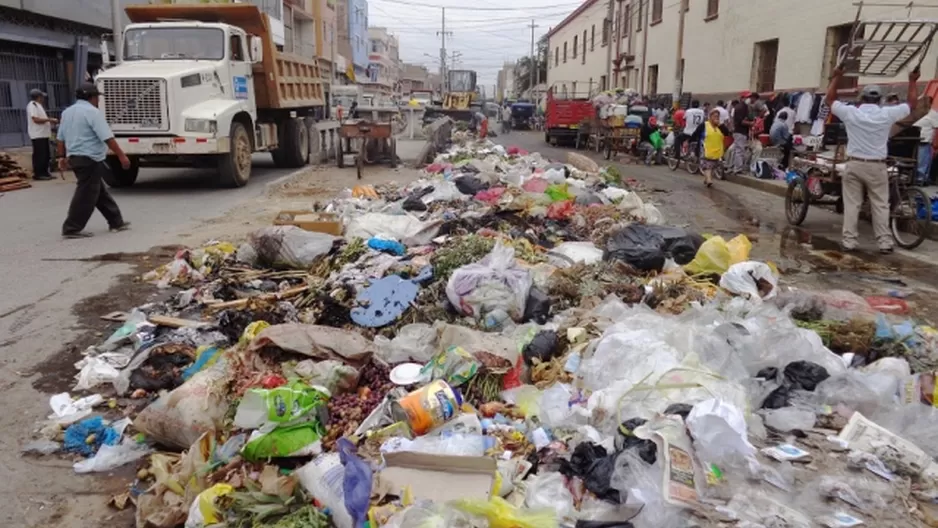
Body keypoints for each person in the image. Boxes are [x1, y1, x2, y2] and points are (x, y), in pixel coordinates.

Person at [825, 66, 919, 253]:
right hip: (877, 166)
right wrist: (912, 81)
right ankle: (884, 243)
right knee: (880, 204)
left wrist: (837, 76)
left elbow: (829, 100)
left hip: (854, 164)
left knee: (852, 204)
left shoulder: (852, 113)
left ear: (862, 99)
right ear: (880, 100)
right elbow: (912, 104)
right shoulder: (887, 114)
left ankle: (849, 242)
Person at [56, 83, 131, 239]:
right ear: (92, 97)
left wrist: (61, 157)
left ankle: (116, 221)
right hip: (89, 158)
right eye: (97, 97)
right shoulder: (92, 112)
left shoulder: (67, 113)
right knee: (86, 194)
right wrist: (122, 156)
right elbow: (107, 137)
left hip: (75, 158)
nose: (98, 100)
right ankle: (72, 227)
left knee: (98, 191)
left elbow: (60, 138)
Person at [691, 108, 732, 187]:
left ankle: (707, 178)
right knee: (707, 165)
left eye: (718, 117)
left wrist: (720, 125)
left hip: (717, 150)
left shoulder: (720, 126)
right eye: (714, 116)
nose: (716, 118)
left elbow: (727, 133)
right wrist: (690, 141)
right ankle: (709, 180)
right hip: (705, 149)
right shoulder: (704, 125)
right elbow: (696, 133)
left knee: (713, 165)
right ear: (710, 117)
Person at [27, 88, 57, 181]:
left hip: (43, 134)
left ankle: (45, 172)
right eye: (42, 97)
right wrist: (49, 120)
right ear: (38, 97)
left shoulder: (38, 105)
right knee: (40, 155)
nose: (43, 99)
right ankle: (39, 174)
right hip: (37, 134)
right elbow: (35, 119)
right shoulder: (33, 105)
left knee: (46, 155)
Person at [913, 102, 938, 186]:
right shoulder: (918, 113)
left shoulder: (933, 114)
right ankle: (919, 178)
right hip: (916, 140)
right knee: (920, 160)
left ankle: (921, 179)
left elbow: (936, 129)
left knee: (923, 161)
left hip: (925, 140)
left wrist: (935, 144)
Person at [730, 92, 754, 173]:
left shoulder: (745, 107)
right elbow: (741, 121)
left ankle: (733, 166)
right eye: (748, 97)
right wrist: (751, 123)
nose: (749, 99)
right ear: (742, 98)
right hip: (740, 131)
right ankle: (738, 168)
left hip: (741, 131)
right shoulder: (741, 107)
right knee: (739, 150)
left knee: (737, 149)